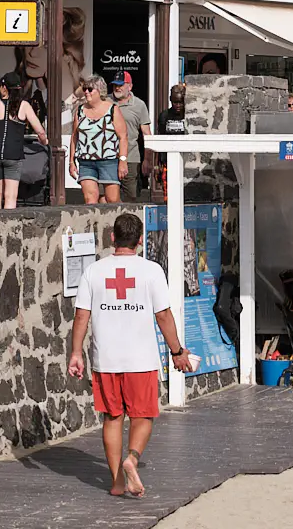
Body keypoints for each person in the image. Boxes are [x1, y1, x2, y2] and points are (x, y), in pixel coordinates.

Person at [68, 212, 195, 498]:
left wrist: (76, 353)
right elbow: (162, 315)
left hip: (106, 360)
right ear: (140, 241)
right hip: (141, 360)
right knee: (143, 416)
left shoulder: (94, 271)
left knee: (112, 419)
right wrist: (177, 351)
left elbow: (81, 316)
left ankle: (115, 482)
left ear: (112, 238)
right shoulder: (151, 271)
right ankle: (132, 458)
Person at [0, 72, 47, 211]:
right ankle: (7, 228)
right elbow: (40, 130)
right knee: (11, 196)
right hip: (13, 154)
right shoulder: (24, 105)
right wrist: (44, 142)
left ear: (4, 88)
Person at [70, 75, 129, 205]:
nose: (86, 92)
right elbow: (75, 137)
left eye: (90, 89)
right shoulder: (80, 111)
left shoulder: (112, 109)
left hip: (108, 160)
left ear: (100, 91)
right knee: (90, 200)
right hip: (86, 161)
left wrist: (123, 161)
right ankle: (94, 225)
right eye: (85, 89)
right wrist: (71, 162)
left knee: (112, 200)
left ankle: (119, 223)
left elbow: (123, 136)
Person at [109, 71, 152, 202]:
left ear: (130, 86)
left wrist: (147, 159)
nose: (117, 88)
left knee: (131, 197)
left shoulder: (139, 105)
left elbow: (146, 133)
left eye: (121, 85)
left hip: (131, 157)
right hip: (108, 156)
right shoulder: (106, 101)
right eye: (115, 85)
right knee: (106, 197)